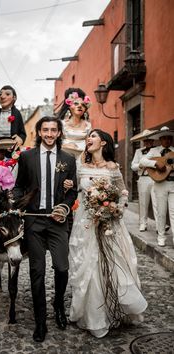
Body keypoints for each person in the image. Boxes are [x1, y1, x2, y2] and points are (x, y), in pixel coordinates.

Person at [68, 129, 147, 338]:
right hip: (85, 223)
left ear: (103, 143)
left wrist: (115, 209)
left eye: (93, 136)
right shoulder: (80, 166)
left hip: (110, 225)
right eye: (88, 137)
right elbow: (74, 189)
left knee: (113, 264)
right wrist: (68, 184)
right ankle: (93, 314)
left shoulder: (113, 167)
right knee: (88, 265)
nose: (88, 139)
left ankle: (114, 309)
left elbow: (123, 193)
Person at [14, 116, 77, 342]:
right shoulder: (27, 157)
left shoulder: (68, 160)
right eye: (45, 130)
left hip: (58, 222)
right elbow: (19, 186)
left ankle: (58, 303)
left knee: (62, 267)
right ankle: (40, 321)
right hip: (34, 222)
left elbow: (72, 191)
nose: (49, 134)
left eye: (54, 130)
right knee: (37, 273)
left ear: (59, 133)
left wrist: (64, 207)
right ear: (39, 132)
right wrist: (18, 203)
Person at [140, 126, 174, 247]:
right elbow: (142, 161)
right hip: (160, 184)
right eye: (164, 138)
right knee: (161, 212)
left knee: (173, 212)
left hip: (173, 184)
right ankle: (161, 236)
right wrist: (155, 163)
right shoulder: (154, 151)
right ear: (160, 139)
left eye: (169, 138)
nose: (167, 141)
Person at [130, 129, 159, 232]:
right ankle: (143, 223)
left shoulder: (157, 150)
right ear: (143, 142)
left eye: (150, 140)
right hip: (143, 178)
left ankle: (159, 225)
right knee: (143, 203)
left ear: (153, 141)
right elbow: (133, 166)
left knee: (157, 203)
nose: (148, 142)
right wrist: (141, 165)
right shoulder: (139, 151)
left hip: (156, 179)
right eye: (146, 141)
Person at [57, 87, 91, 158]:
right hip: (64, 156)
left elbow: (90, 144)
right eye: (76, 104)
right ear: (69, 106)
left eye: (83, 105)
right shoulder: (61, 124)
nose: (79, 106)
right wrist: (65, 146)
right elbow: (54, 143)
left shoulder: (88, 125)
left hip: (82, 158)